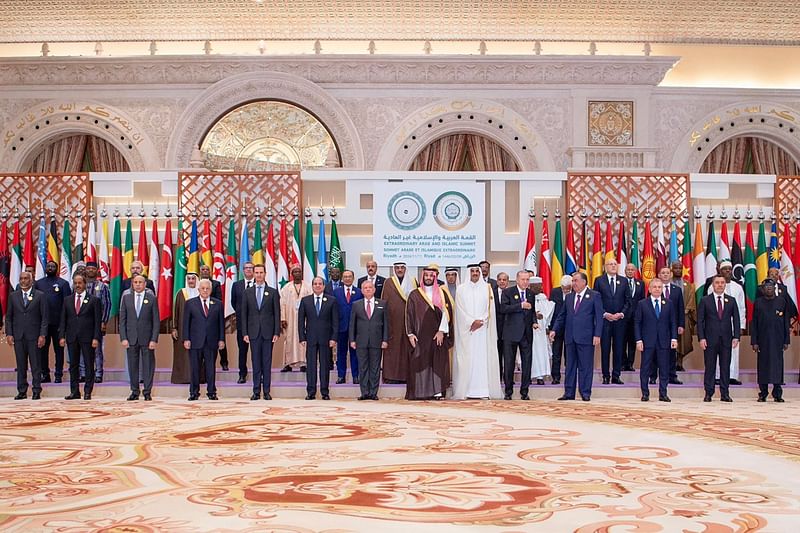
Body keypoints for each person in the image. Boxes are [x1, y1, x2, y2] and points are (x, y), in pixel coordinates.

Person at [550, 272, 604, 402]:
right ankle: (569, 392)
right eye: (572, 281)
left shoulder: (594, 296)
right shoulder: (569, 297)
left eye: (576, 280)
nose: (573, 283)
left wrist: (597, 334)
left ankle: (585, 392)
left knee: (585, 366)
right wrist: (554, 330)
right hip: (570, 337)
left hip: (586, 337)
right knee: (570, 366)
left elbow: (599, 317)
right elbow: (562, 316)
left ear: (584, 282)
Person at [452, 264, 502, 400]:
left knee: (482, 360)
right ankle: (467, 391)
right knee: (467, 359)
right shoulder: (461, 290)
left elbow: (490, 309)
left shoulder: (487, 289)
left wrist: (481, 321)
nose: (475, 273)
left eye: (477, 271)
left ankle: (483, 390)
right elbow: (459, 311)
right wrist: (471, 322)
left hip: (482, 331)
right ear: (469, 273)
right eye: (472, 271)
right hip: (467, 331)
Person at [405, 264, 454, 400]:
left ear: (435, 277)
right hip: (420, 336)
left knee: (437, 363)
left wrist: (442, 331)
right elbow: (408, 314)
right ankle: (421, 392)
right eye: (426, 275)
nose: (428, 278)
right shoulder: (415, 294)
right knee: (421, 363)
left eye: (431, 276)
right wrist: (410, 334)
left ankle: (437, 392)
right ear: (423, 276)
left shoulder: (442, 294)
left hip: (437, 335)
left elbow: (446, 314)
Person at [697, 274, 740, 402]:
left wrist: (736, 336)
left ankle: (724, 393)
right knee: (710, 367)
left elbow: (736, 320)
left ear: (725, 284)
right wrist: (701, 338)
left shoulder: (731, 300)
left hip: (726, 339)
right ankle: (708, 393)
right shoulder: (705, 300)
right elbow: (700, 321)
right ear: (713, 285)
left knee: (725, 366)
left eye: (722, 282)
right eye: (717, 283)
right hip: (710, 339)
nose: (720, 285)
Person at [241, 264, 281, 400]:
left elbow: (277, 313)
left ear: (265, 274)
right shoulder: (247, 292)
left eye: (260, 272)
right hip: (253, 333)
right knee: (255, 362)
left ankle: (267, 391)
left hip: (268, 333)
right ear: (253, 274)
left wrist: (276, 332)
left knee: (267, 362)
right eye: (256, 272)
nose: (258, 275)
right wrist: (245, 333)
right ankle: (256, 391)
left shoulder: (273, 292)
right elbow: (244, 314)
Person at [59, 273, 102, 400]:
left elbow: (97, 321)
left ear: (85, 284)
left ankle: (88, 391)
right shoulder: (67, 300)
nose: (77, 285)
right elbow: (63, 320)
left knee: (89, 364)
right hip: (72, 337)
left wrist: (96, 338)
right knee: (73, 365)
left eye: (80, 283)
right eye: (75, 283)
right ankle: (74, 391)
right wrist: (62, 336)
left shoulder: (94, 300)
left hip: (88, 338)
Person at [634, 278, 678, 402]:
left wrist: (674, 338)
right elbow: (637, 323)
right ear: (650, 289)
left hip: (664, 341)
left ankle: (663, 394)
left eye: (659, 287)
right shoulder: (642, 304)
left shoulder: (668, 303)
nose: (657, 289)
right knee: (645, 368)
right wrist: (639, 340)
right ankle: (645, 393)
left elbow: (673, 322)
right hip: (647, 341)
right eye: (655, 287)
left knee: (664, 368)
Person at [6, 271, 48, 400]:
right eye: (21, 278)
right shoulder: (13, 296)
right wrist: (9, 333)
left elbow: (44, 318)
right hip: (18, 336)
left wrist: (42, 335)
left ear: (31, 280)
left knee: (35, 365)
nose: (23, 281)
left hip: (34, 336)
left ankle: (36, 390)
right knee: (21, 365)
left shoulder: (40, 296)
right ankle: (22, 391)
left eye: (26, 278)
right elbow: (9, 317)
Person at [182, 279, 225, 401]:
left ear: (211, 290)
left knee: (211, 368)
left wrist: (221, 339)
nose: (205, 290)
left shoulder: (217, 304)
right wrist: (186, 338)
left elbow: (221, 323)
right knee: (195, 368)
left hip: (212, 341)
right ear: (198, 290)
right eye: (203, 288)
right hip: (195, 341)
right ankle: (194, 392)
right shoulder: (190, 303)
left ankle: (211, 392)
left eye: (207, 288)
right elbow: (186, 323)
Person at [119, 274, 159, 401]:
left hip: (147, 339)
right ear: (132, 283)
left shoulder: (151, 298)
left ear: (145, 284)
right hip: (131, 338)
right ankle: (134, 391)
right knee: (132, 365)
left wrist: (154, 339)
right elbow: (122, 320)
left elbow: (156, 321)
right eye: (135, 282)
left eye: (140, 282)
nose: (137, 284)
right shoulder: (126, 298)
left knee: (148, 365)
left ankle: (147, 391)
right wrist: (123, 338)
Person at [298, 276, 339, 400]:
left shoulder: (331, 300)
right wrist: (302, 337)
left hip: (326, 339)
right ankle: (311, 392)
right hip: (310, 338)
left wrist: (334, 338)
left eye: (320, 283)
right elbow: (301, 321)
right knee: (310, 366)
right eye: (315, 283)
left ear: (323, 286)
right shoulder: (305, 301)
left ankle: (325, 392)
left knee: (325, 366)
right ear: (312, 286)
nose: (317, 285)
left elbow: (335, 321)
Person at [707, 260, 746, 385]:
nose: (728, 271)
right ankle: (718, 376)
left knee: (733, 351)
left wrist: (741, 325)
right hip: (715, 327)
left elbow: (741, 308)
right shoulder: (711, 288)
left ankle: (732, 376)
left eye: (729, 269)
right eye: (725, 269)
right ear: (720, 271)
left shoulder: (738, 287)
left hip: (732, 326)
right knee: (717, 351)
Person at [751, 279, 790, 402]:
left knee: (778, 366)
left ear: (775, 288)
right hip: (762, 341)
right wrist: (754, 342)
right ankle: (763, 393)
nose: (768, 288)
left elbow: (786, 322)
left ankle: (777, 394)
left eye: (771, 286)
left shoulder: (782, 301)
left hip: (778, 340)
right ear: (762, 289)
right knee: (763, 366)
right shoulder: (758, 303)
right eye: (766, 286)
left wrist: (786, 340)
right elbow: (754, 323)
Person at [349, 280, 388, 400]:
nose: (368, 289)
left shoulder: (382, 303)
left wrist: (385, 339)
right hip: (361, 341)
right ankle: (364, 392)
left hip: (377, 341)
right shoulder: (356, 304)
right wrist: (352, 340)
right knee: (363, 367)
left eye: (370, 287)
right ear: (362, 290)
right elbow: (352, 324)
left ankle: (373, 393)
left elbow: (386, 324)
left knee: (375, 368)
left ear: (374, 289)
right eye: (365, 288)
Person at [594, 258, 631, 384]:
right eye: (611, 264)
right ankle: (605, 375)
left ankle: (616, 375)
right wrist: (604, 313)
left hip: (619, 321)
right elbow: (596, 300)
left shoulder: (624, 281)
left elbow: (628, 301)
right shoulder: (599, 281)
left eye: (615, 264)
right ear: (605, 266)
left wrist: (621, 313)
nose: (613, 266)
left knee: (619, 348)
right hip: (605, 321)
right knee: (605, 349)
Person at [34, 260, 71, 383]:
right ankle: (45, 374)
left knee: (59, 350)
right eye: (48, 266)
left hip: (58, 323)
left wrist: (65, 323)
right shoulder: (38, 284)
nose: (50, 268)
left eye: (53, 266)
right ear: (45, 268)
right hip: (42, 324)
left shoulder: (63, 283)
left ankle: (58, 374)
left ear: (57, 268)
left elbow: (67, 305)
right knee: (42, 351)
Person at [499, 270, 534, 400]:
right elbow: (503, 309)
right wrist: (520, 305)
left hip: (526, 334)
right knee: (509, 364)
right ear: (517, 280)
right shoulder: (508, 292)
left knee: (527, 364)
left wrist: (534, 322)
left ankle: (524, 392)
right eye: (523, 279)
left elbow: (532, 311)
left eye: (527, 280)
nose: (525, 282)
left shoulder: (531, 294)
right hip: (510, 334)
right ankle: (508, 392)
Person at [381, 261, 417, 383]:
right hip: (393, 322)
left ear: (405, 269)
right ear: (394, 269)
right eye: (397, 268)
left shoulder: (413, 281)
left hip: (409, 322)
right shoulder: (388, 282)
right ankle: (391, 376)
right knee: (393, 349)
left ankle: (407, 376)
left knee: (407, 348)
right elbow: (384, 302)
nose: (400, 270)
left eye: (402, 268)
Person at [650, 266, 685, 385]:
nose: (665, 275)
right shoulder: (654, 289)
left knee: (671, 352)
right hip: (655, 326)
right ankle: (653, 375)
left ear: (670, 275)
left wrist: (681, 324)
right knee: (655, 351)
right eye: (662, 273)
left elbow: (681, 308)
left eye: (667, 273)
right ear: (659, 275)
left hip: (672, 327)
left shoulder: (677, 290)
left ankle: (672, 375)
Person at [279, 264, 311, 372]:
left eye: (299, 272)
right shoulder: (286, 288)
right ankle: (288, 363)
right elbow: (282, 304)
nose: (297, 273)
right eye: (295, 272)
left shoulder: (308, 287)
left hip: (305, 319)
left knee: (303, 340)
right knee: (289, 339)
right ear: (292, 274)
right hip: (290, 318)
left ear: (301, 273)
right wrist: (283, 318)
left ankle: (303, 363)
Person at [82, 261, 110, 383]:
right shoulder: (79, 285)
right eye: (88, 269)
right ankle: (83, 373)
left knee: (97, 349)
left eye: (93, 269)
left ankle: (98, 373)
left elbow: (108, 304)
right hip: (82, 323)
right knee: (82, 349)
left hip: (97, 323)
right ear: (85, 270)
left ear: (97, 270)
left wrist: (104, 321)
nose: (91, 271)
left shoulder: (103, 286)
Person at [333, 269, 362, 384]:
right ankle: (341, 376)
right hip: (341, 327)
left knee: (355, 353)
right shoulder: (336, 292)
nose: (347, 278)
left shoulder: (359, 292)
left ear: (353, 278)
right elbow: (334, 311)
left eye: (349, 276)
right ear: (342, 278)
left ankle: (356, 376)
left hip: (356, 328)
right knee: (341, 353)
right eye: (345, 276)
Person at [170, 272, 199, 384]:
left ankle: (197, 377)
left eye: (193, 278)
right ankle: (182, 377)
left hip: (197, 330)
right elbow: (176, 312)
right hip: (182, 329)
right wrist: (174, 327)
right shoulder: (181, 293)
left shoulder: (201, 292)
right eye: (189, 279)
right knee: (182, 353)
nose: (191, 281)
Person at [230, 261, 256, 383]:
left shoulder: (260, 284)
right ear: (243, 271)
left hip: (257, 324)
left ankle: (258, 374)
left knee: (257, 351)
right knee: (242, 351)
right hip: (242, 324)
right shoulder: (236, 285)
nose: (249, 270)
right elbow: (233, 302)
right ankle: (242, 374)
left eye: (251, 268)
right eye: (246, 268)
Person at [199, 263, 227, 371]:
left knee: (220, 339)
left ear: (210, 272)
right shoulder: (198, 283)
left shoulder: (216, 284)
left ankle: (224, 362)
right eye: (203, 269)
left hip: (214, 316)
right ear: (200, 271)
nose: (205, 271)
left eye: (207, 269)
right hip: (201, 316)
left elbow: (219, 300)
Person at [671, 260, 696, 371]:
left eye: (680, 268)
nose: (678, 270)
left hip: (685, 316)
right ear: (672, 269)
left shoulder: (688, 285)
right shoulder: (668, 284)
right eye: (676, 268)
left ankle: (679, 362)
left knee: (684, 341)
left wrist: (687, 310)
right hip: (670, 317)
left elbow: (692, 301)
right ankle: (671, 363)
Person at [549, 275, 572, 384]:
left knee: (569, 354)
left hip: (570, 328)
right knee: (556, 354)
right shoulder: (555, 292)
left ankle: (569, 376)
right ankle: (556, 377)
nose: (566, 290)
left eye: (568, 288)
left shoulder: (574, 292)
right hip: (557, 327)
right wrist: (551, 328)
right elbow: (551, 310)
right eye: (564, 287)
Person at [530, 276, 553, 385]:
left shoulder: (543, 298)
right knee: (530, 354)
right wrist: (534, 315)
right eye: (536, 286)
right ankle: (528, 375)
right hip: (529, 331)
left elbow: (548, 314)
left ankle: (540, 376)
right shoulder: (526, 297)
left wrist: (543, 318)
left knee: (541, 353)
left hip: (541, 332)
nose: (539, 288)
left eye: (540, 286)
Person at [622, 263, 645, 371]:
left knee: (632, 341)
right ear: (625, 271)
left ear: (635, 271)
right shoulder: (621, 282)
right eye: (628, 270)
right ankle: (622, 363)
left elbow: (642, 301)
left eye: (632, 270)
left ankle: (630, 364)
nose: (630, 271)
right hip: (622, 317)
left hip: (635, 318)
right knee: (621, 341)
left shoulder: (640, 283)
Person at [495, 272, 509, 380]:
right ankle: (498, 377)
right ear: (497, 281)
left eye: (504, 280)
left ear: (507, 281)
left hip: (509, 329)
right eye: (500, 279)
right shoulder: (491, 293)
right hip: (495, 329)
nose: (502, 282)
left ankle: (508, 378)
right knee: (497, 355)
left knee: (509, 355)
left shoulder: (512, 293)